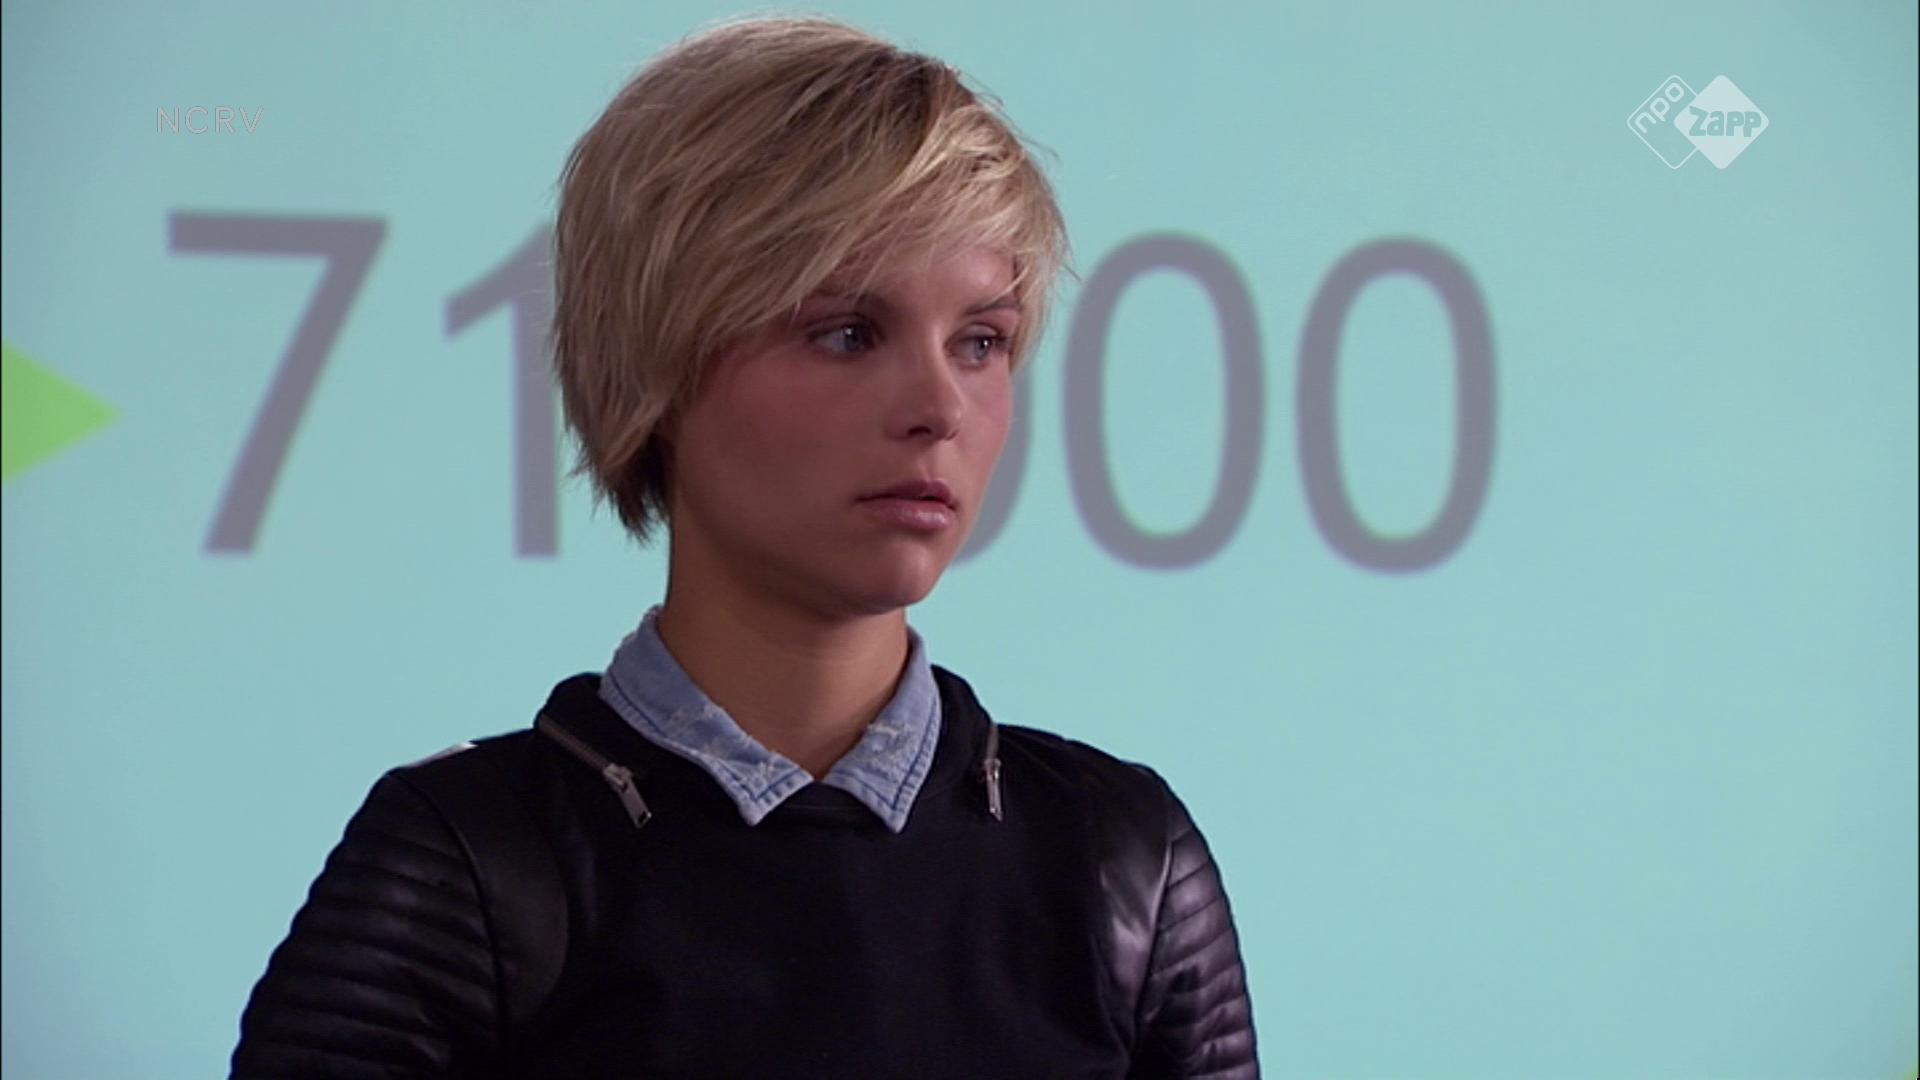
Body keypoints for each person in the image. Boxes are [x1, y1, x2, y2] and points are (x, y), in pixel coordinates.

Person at [230, 14, 1258, 1079]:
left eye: (980, 341)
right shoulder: (464, 868)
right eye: (848, 333)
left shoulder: (1121, 862)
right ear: (658, 366)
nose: (940, 407)